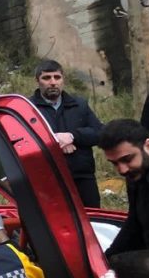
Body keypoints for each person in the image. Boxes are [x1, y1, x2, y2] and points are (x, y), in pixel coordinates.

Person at [29, 59, 103, 207]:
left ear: (63, 80)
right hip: (47, 179)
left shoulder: (79, 105)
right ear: (38, 81)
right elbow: (23, 140)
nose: (53, 82)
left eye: (57, 77)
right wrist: (55, 140)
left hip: (82, 177)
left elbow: (100, 132)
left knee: (92, 221)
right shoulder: (28, 108)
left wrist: (72, 136)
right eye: (46, 78)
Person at [99, 119, 149, 258]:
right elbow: (134, 224)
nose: (122, 170)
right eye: (115, 163)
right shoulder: (136, 174)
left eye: (127, 159)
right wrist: (106, 260)